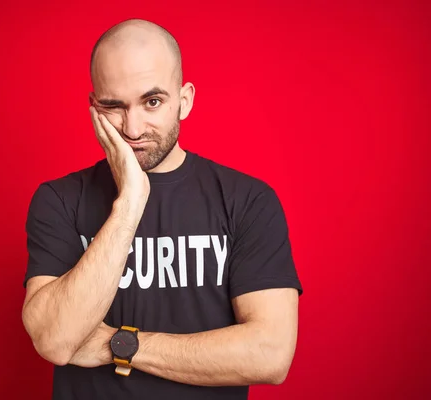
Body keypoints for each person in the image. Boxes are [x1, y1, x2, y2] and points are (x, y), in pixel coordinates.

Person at [21, 18, 303, 400]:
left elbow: (270, 354)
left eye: (152, 102)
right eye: (113, 107)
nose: (133, 129)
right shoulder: (58, 200)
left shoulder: (248, 201)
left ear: (184, 101)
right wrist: (130, 203)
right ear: (93, 108)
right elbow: (54, 341)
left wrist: (121, 345)